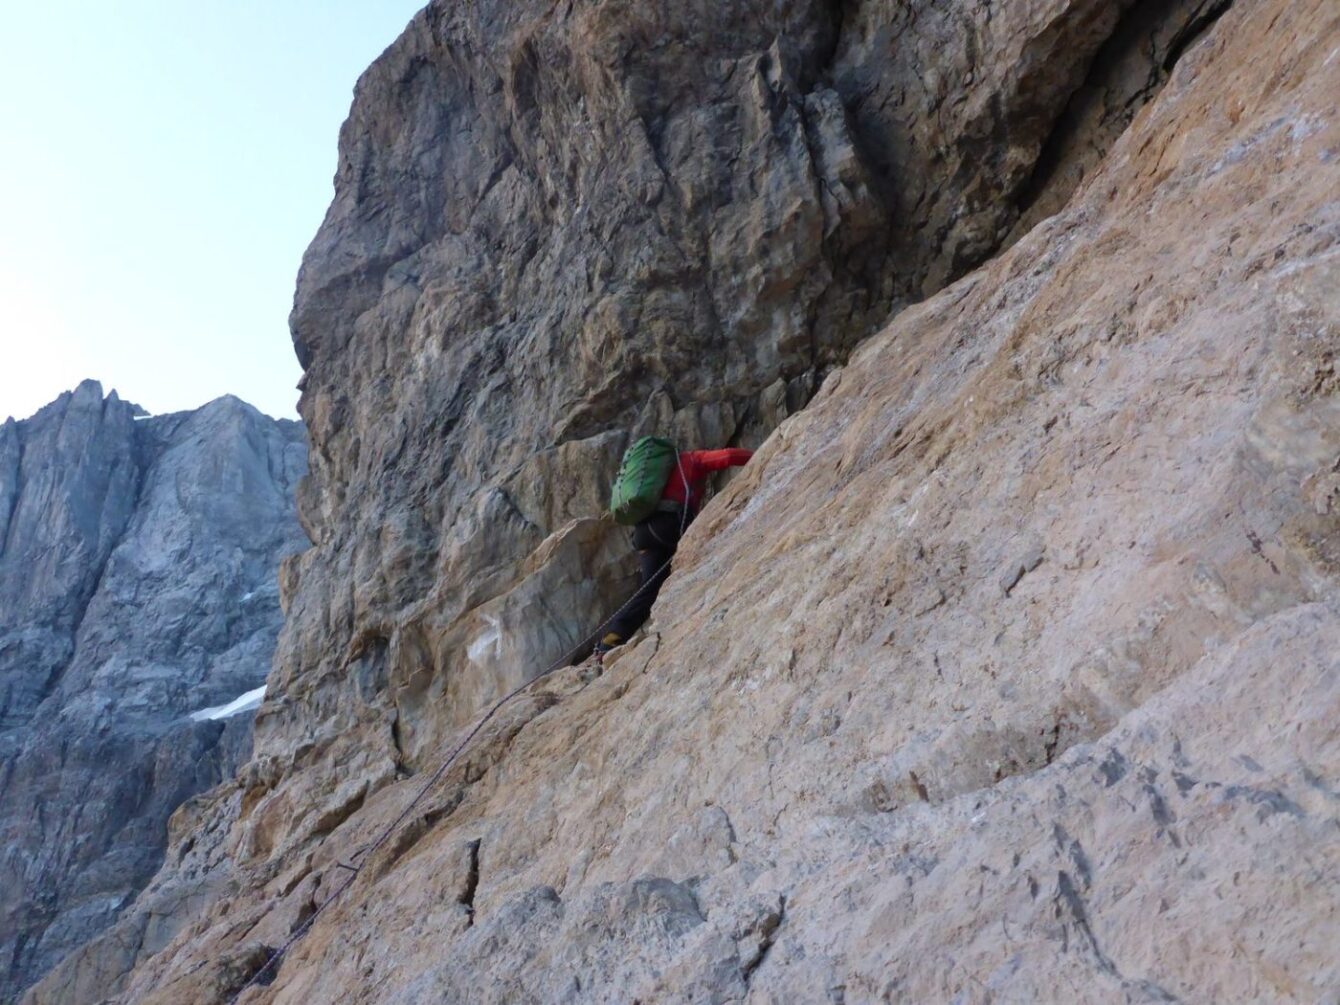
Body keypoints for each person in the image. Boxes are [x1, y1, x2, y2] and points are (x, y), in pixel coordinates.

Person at [595, 446, 753, 660]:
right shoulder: (691, 459)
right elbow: (727, 456)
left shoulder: (655, 475)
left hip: (644, 533)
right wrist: (761, 453)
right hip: (668, 527)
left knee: (648, 589)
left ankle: (611, 639)